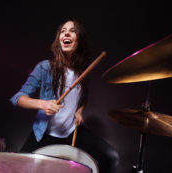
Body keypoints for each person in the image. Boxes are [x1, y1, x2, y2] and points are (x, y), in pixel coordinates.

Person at [10, 17, 119, 173]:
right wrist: (43, 104)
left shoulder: (83, 72)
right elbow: (18, 98)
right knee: (19, 167)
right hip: (45, 133)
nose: (66, 34)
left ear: (79, 40)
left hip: (71, 132)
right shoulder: (44, 67)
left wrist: (79, 111)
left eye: (72, 31)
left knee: (110, 157)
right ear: (59, 39)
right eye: (63, 31)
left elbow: (83, 97)